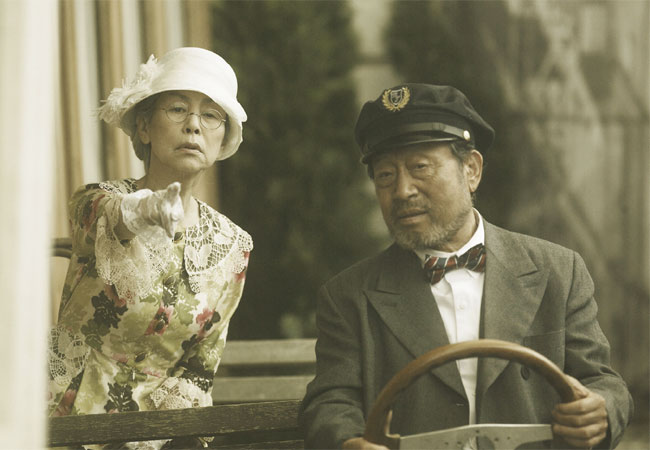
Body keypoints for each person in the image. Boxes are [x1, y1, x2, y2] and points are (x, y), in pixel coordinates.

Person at [299, 83, 633, 449]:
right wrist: (347, 441)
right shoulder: (348, 296)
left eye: (420, 167)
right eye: (385, 175)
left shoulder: (558, 271)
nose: (402, 190)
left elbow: (603, 382)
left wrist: (601, 410)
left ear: (471, 170)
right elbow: (330, 402)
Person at [47, 47, 253, 449]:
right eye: (178, 109)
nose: (193, 125)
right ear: (144, 127)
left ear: (222, 138)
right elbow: (111, 218)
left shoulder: (232, 245)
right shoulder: (97, 200)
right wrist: (145, 211)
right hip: (68, 415)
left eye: (210, 115)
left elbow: (199, 369)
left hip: (156, 433)